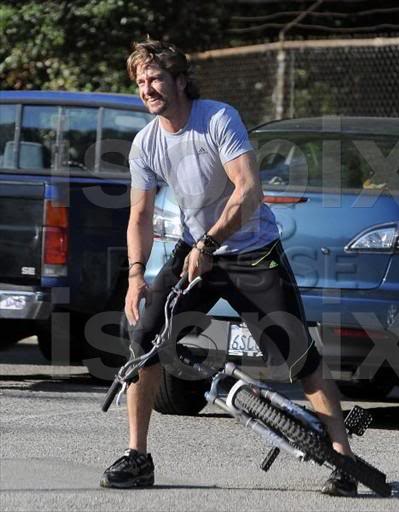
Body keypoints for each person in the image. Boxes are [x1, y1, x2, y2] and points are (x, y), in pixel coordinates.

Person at [100, 39, 357, 497]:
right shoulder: (147, 142)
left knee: (298, 356)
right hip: (193, 251)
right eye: (140, 82)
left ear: (180, 80)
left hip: (252, 252)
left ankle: (343, 460)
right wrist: (136, 275)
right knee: (144, 341)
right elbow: (138, 216)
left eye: (156, 78)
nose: (147, 88)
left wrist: (210, 242)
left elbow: (248, 188)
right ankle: (137, 457)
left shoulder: (218, 118)